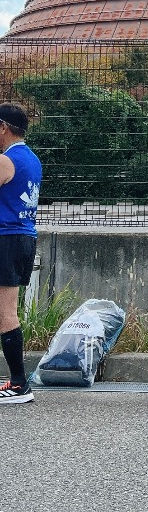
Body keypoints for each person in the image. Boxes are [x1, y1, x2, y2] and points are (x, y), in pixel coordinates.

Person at [0, 103, 42, 405]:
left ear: (3, 128)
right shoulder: (31, 158)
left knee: (6, 312)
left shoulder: (5, 160)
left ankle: (18, 384)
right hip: (23, 237)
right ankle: (17, 382)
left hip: (7, 238)